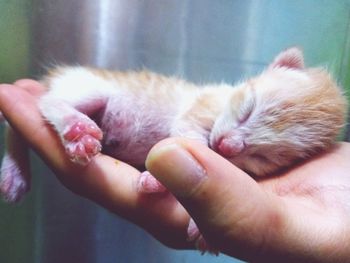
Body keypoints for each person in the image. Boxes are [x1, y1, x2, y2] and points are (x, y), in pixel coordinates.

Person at [0, 79, 349, 262]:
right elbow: (187, 130)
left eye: (263, 158)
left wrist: (209, 207)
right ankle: (51, 123)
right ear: (277, 66)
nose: (230, 145)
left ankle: (40, 134)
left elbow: (221, 182)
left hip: (113, 140)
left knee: (46, 131)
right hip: (116, 98)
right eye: (247, 113)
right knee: (60, 101)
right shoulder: (215, 97)